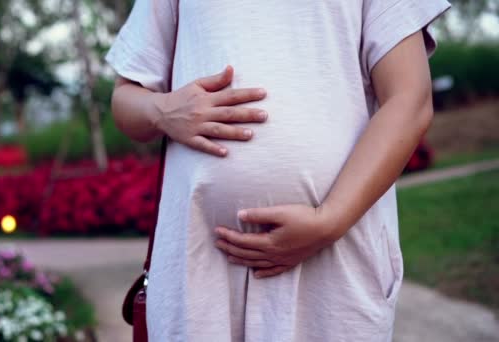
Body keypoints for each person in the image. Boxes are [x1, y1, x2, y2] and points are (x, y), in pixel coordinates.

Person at [105, 0, 451, 341]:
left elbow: (410, 99)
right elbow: (126, 99)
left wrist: (329, 220)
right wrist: (164, 110)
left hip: (333, 263)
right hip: (198, 273)